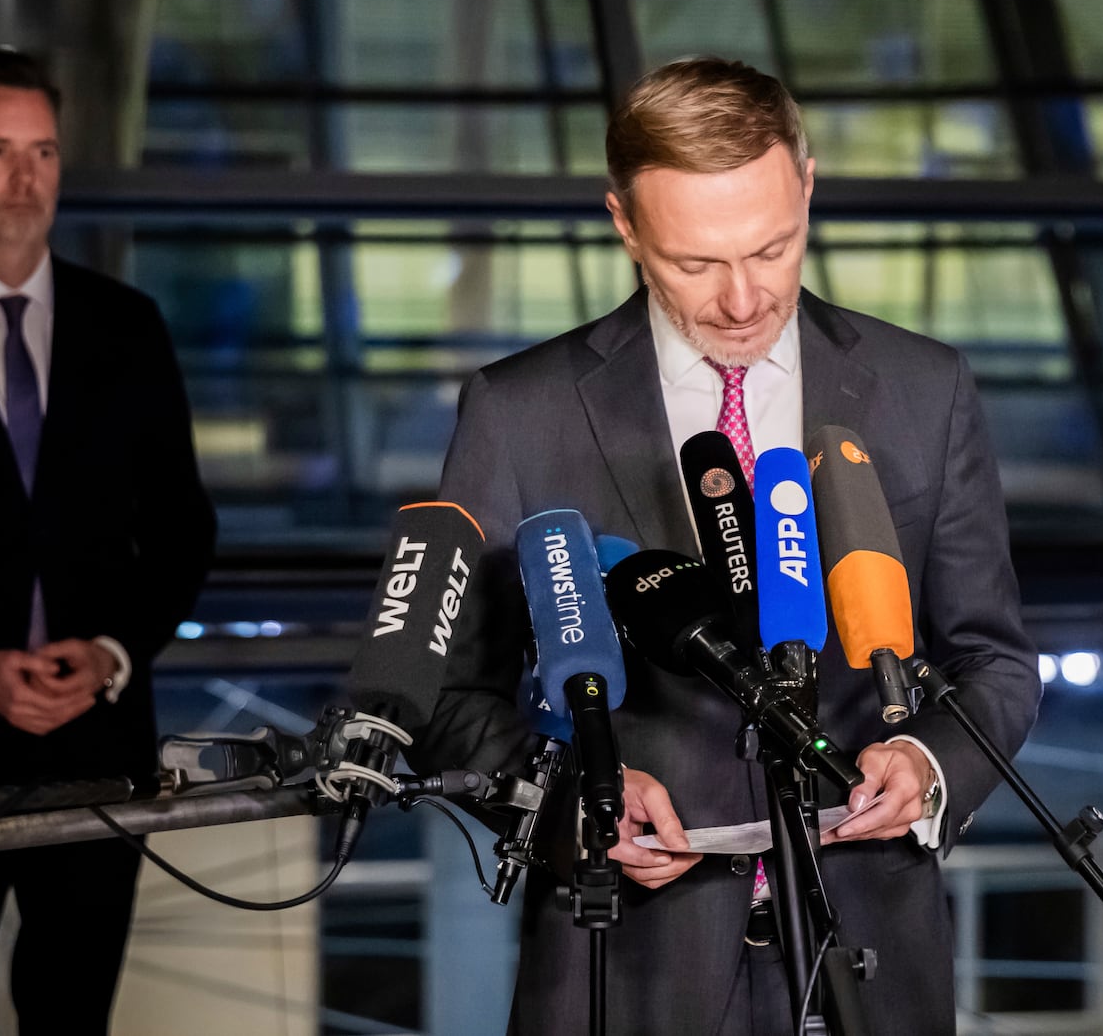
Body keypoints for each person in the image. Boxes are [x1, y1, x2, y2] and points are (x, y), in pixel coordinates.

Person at [416, 57, 1039, 1035]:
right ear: (624, 224)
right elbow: (448, 695)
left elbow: (992, 658)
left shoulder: (927, 389)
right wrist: (571, 793)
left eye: (773, 247)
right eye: (696, 263)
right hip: (621, 970)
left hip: (874, 963)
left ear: (808, 185)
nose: (744, 298)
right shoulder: (518, 413)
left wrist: (926, 756)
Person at [0, 49, 215, 1035]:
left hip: (97, 750)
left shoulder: (131, 327)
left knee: (72, 1019)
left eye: (44, 152)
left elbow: (184, 527)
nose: (24, 179)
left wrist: (109, 652)